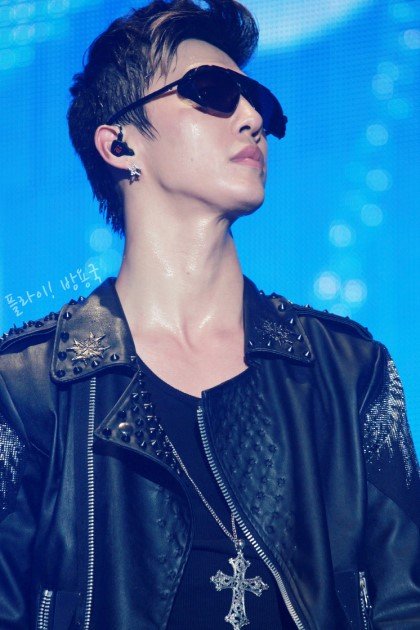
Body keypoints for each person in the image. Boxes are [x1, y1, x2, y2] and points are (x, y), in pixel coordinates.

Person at [0, 0, 419, 628]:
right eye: (213, 93)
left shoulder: (350, 371)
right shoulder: (26, 388)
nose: (253, 119)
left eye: (261, 103)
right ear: (119, 143)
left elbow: (404, 602)